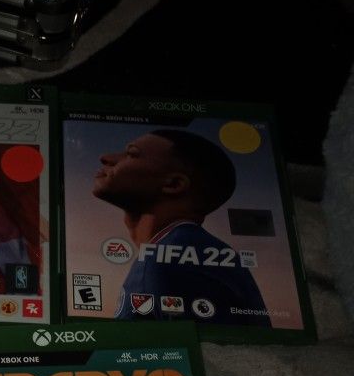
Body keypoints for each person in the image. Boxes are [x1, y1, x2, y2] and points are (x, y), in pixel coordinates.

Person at [91, 128, 269, 326]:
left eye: (132, 154)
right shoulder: (191, 251)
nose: (106, 157)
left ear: (174, 184)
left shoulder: (171, 258)